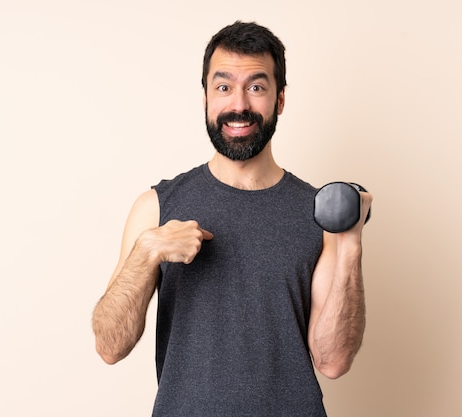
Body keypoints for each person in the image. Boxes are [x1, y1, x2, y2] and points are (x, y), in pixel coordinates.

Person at [92, 21, 372, 416]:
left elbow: (333, 361)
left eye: (256, 87)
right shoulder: (156, 207)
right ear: (205, 97)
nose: (238, 105)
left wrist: (351, 242)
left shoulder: (318, 215)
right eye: (223, 87)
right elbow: (109, 346)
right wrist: (146, 251)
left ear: (280, 100)